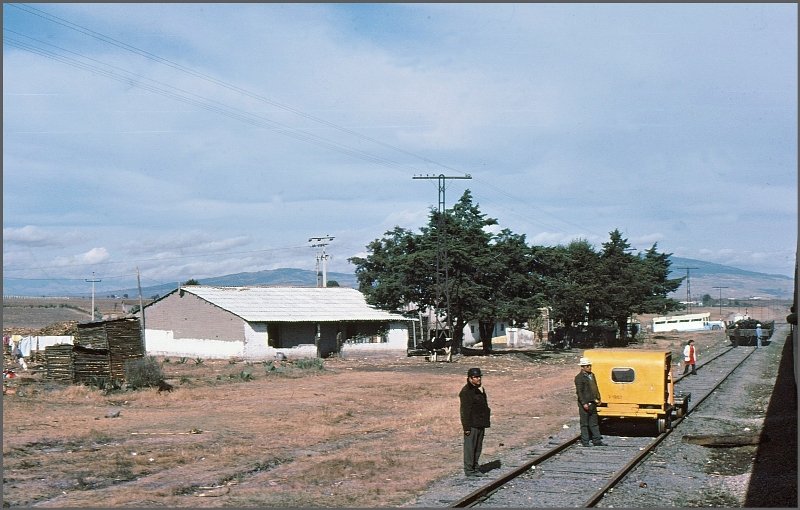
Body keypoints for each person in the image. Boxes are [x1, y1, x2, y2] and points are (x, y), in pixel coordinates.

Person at [459, 367, 491, 477]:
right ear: (470, 378)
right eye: (475, 377)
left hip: (480, 423)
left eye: (479, 377)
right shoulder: (466, 392)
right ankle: (469, 470)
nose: (478, 379)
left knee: (478, 448)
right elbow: (464, 411)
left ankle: (475, 468)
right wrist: (466, 427)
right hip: (471, 425)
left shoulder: (479, 389)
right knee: (470, 448)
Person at [575, 357, 605, 447]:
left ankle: (597, 440)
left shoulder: (592, 375)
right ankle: (585, 441)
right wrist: (584, 403)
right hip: (585, 403)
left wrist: (598, 398)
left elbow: (595, 388)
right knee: (584, 423)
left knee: (594, 423)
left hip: (593, 402)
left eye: (590, 365)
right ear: (582, 367)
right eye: (587, 366)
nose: (589, 367)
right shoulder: (579, 378)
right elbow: (579, 392)